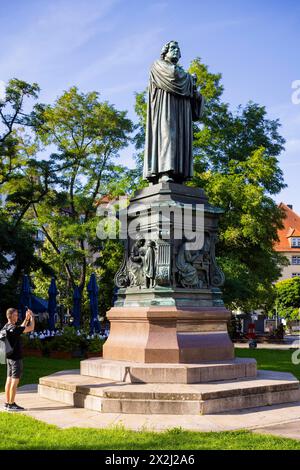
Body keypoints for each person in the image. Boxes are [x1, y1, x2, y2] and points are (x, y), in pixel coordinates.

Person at [143, 40, 204, 184]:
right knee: (167, 136)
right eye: (173, 48)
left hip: (182, 112)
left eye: (178, 49)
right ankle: (164, 171)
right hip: (166, 108)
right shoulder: (158, 65)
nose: (176, 51)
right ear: (165, 52)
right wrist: (190, 79)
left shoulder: (183, 74)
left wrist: (195, 91)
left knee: (181, 139)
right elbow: (173, 77)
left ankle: (179, 174)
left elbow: (193, 94)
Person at [3, 307, 35, 411]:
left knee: (8, 380)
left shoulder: (6, 327)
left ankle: (8, 402)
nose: (17, 317)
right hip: (16, 358)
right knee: (14, 381)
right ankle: (12, 404)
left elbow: (21, 328)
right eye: (16, 315)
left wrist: (26, 318)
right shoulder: (15, 329)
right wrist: (32, 318)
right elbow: (31, 328)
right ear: (11, 316)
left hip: (9, 358)